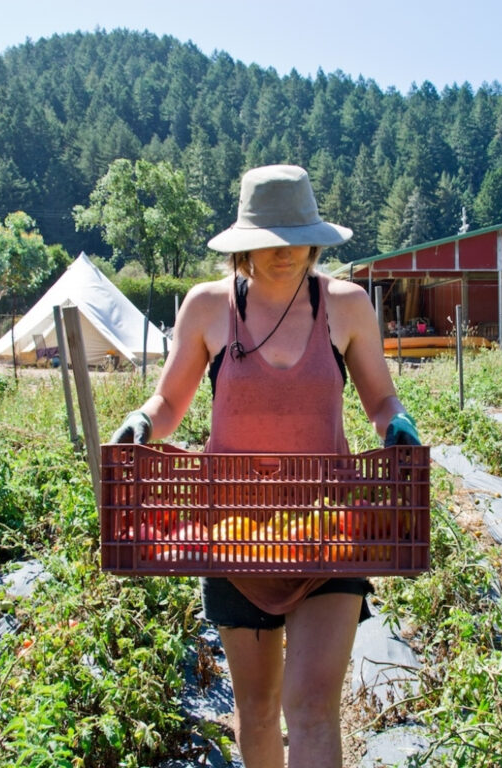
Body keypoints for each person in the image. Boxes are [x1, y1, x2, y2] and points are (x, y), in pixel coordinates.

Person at [111, 164, 420, 768]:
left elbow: (380, 399)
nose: (286, 252)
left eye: (298, 237)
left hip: (328, 532)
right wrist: (142, 422)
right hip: (235, 535)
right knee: (256, 709)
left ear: (316, 236)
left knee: (309, 706)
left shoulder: (345, 306)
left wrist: (397, 425)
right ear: (244, 244)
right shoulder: (207, 308)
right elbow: (172, 401)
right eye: (270, 241)